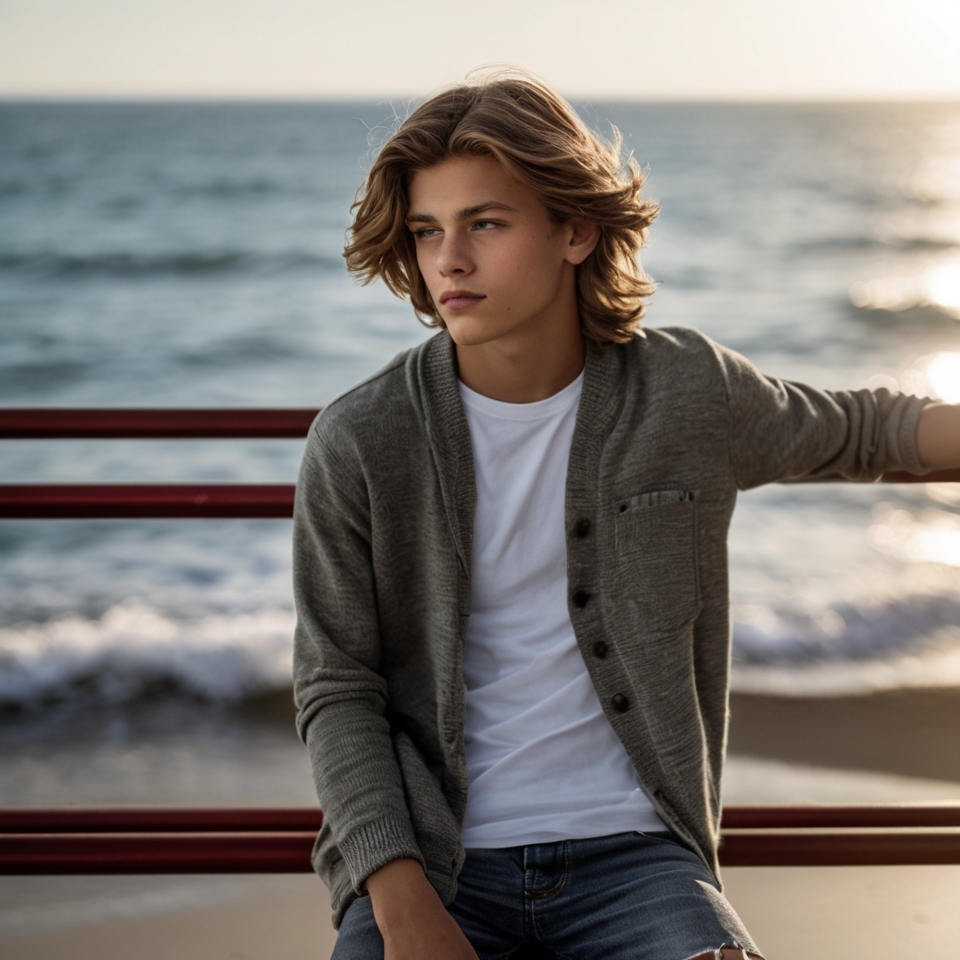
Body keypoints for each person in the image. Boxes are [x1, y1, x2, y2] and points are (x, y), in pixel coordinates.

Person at [292, 71, 960, 960]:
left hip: (639, 864)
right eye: (426, 230)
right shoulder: (361, 439)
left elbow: (865, 427)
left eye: (484, 223)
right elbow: (337, 687)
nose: (448, 259)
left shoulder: (685, 390)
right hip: (434, 867)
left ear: (575, 230)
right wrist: (401, 905)